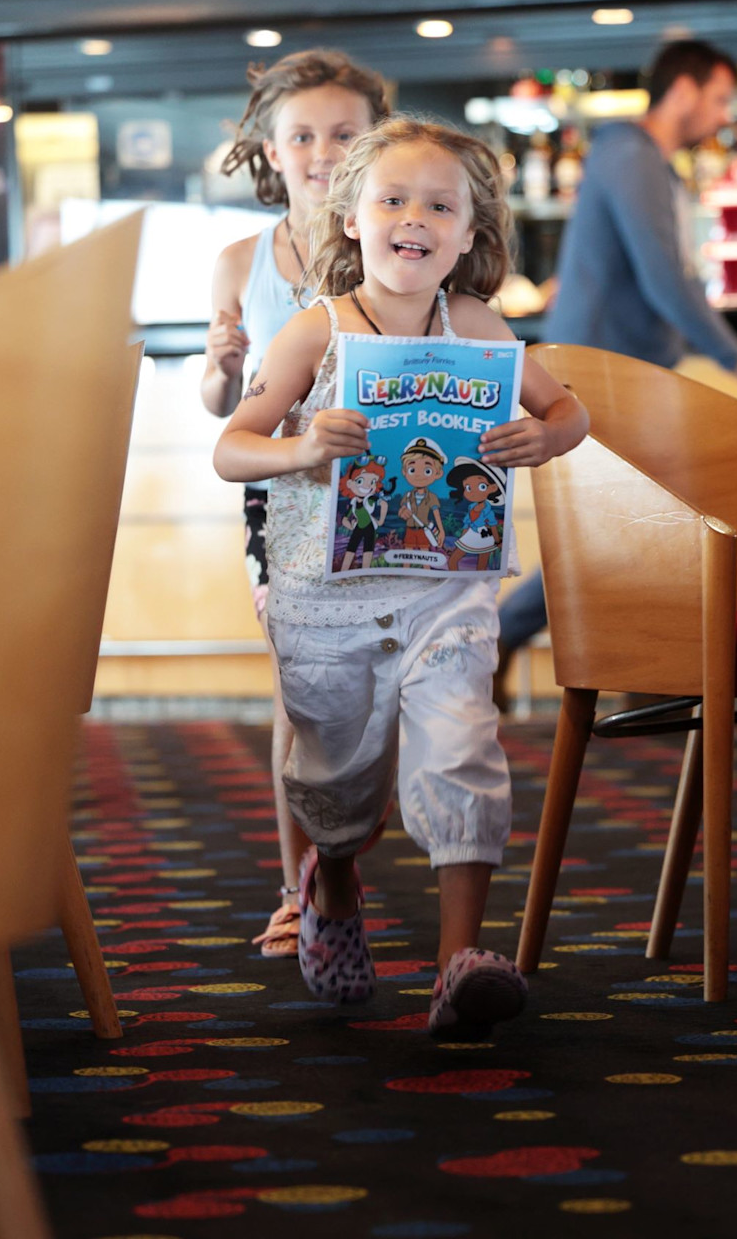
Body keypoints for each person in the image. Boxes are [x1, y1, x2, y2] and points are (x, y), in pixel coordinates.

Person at [213, 117, 589, 1038]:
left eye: (439, 205)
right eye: (391, 199)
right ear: (351, 220)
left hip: (443, 587)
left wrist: (543, 437)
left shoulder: (477, 325)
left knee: (463, 747)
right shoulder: (317, 331)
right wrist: (303, 445)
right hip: (324, 598)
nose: (413, 217)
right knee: (338, 783)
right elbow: (232, 449)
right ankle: (331, 876)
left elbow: (567, 408)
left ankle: (461, 961)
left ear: (469, 234)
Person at [496, 39, 737, 686]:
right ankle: (528, 642)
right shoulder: (629, 153)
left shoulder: (647, 161)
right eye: (718, 98)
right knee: (614, 533)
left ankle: (639, 674)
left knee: (628, 530)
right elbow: (665, 277)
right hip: (598, 377)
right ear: (682, 91)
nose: (722, 114)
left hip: (623, 374)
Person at [202, 49, 390, 960]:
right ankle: (295, 891)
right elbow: (216, 407)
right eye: (302, 134)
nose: (322, 150)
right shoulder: (241, 260)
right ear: (269, 151)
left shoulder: (397, 242)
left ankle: (342, 859)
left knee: (386, 693)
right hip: (282, 505)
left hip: (391, 498)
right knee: (298, 687)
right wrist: (224, 367)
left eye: (344, 133)